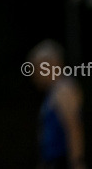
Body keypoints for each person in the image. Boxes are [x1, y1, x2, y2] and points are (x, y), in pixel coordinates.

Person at [28, 40, 87, 169]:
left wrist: (77, 162)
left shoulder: (64, 89)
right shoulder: (54, 92)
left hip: (62, 162)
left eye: (36, 68)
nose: (34, 74)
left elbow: (73, 127)